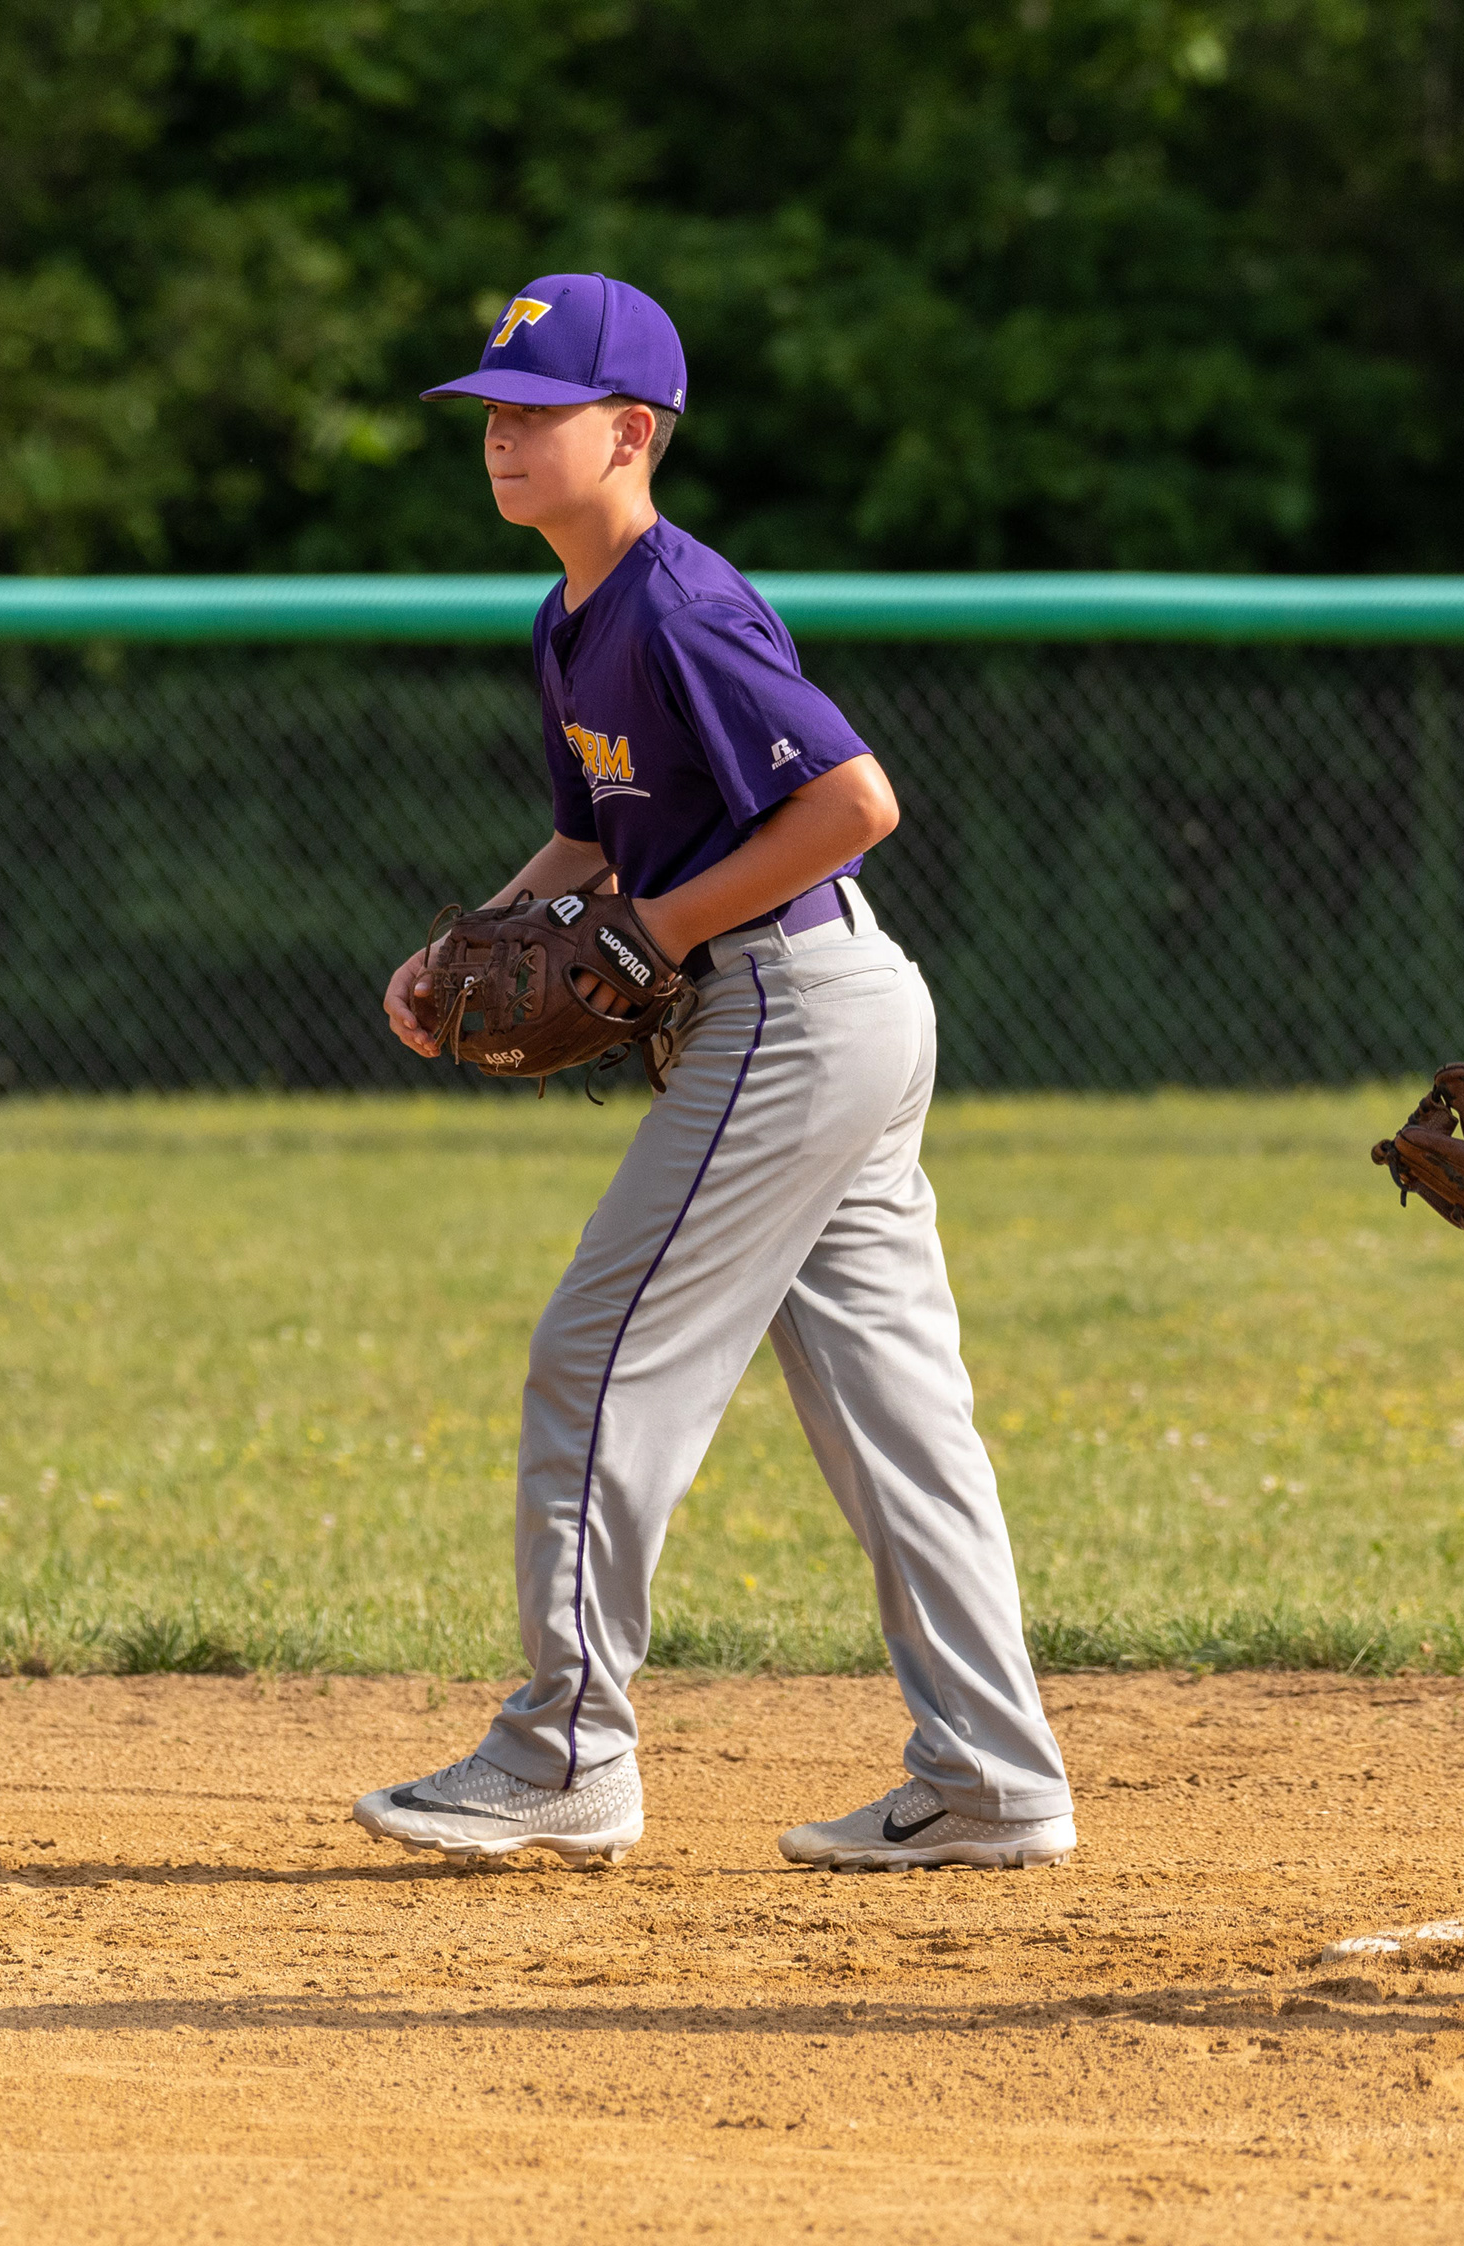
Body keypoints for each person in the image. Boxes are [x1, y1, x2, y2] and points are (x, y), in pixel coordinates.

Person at [352, 273, 1075, 1871]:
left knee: (597, 1352)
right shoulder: (571, 618)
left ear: (631, 432)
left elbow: (854, 803)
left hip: (788, 1005)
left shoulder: (679, 604)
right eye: (491, 414)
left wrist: (657, 928)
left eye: (539, 413)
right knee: (897, 1417)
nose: (503, 438)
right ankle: (993, 1776)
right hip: (817, 1010)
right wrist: (468, 937)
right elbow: (588, 841)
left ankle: (564, 1753)